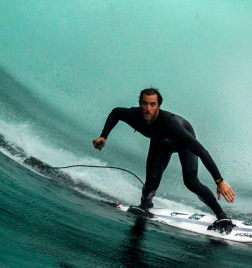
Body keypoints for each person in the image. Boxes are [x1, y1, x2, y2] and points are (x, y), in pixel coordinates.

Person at [93, 87, 237, 233]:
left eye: (152, 104)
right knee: (151, 181)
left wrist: (219, 181)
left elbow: (201, 151)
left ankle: (222, 216)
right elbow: (115, 113)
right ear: (140, 103)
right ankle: (145, 205)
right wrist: (103, 136)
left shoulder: (171, 124)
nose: (148, 109)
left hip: (182, 141)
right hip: (160, 142)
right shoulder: (133, 115)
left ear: (159, 106)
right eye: (144, 104)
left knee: (191, 182)